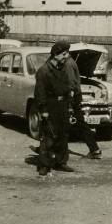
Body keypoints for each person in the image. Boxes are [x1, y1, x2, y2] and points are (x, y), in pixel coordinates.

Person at [33, 41, 75, 176]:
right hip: (50, 107)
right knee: (48, 137)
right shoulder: (43, 71)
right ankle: (44, 165)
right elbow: (40, 93)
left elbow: (66, 87)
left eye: (67, 53)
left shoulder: (61, 68)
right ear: (55, 55)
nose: (66, 56)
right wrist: (43, 110)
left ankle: (61, 162)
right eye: (64, 54)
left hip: (62, 106)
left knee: (63, 135)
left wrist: (69, 103)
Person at [64, 53, 102, 159]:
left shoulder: (68, 64)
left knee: (65, 123)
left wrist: (69, 102)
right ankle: (95, 150)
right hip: (75, 97)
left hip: (72, 98)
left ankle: (94, 150)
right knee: (80, 124)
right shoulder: (71, 62)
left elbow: (71, 83)